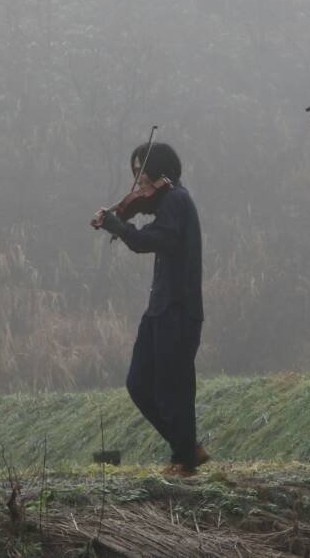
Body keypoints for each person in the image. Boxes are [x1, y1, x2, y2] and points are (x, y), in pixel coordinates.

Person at [91, 141, 208, 476]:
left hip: (178, 307)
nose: (139, 187)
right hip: (159, 307)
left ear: (161, 174)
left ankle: (184, 461)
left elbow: (149, 241)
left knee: (176, 386)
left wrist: (118, 226)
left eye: (142, 176)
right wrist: (121, 222)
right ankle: (188, 449)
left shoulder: (176, 201)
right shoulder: (167, 203)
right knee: (138, 383)